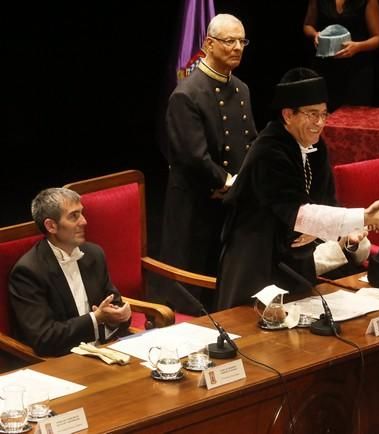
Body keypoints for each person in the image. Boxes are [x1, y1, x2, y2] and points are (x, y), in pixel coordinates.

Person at [216, 67, 379, 310]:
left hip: (296, 259)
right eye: (312, 114)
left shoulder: (315, 147)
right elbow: (296, 213)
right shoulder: (269, 150)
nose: (320, 123)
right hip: (256, 259)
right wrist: (362, 217)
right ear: (288, 114)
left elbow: (326, 202)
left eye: (324, 114)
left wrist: (345, 233)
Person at [158, 14, 257, 314]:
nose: (237, 47)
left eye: (242, 41)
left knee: (226, 291)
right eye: (230, 41)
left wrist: (247, 179)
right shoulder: (186, 94)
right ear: (208, 44)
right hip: (197, 205)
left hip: (229, 203)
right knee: (194, 295)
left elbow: (251, 142)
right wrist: (228, 182)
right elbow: (193, 157)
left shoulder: (241, 89)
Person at [9, 188, 132, 357]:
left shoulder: (94, 254)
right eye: (74, 216)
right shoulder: (28, 271)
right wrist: (96, 318)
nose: (84, 221)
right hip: (62, 361)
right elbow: (44, 338)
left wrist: (121, 315)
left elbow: (113, 303)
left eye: (82, 213)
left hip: (104, 351)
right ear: (51, 226)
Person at [303, 0, 379, 111]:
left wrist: (358, 47)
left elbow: (378, 37)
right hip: (324, 67)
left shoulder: (368, 1)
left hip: (356, 70)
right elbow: (308, 25)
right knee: (322, 113)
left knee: (353, 116)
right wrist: (315, 35)